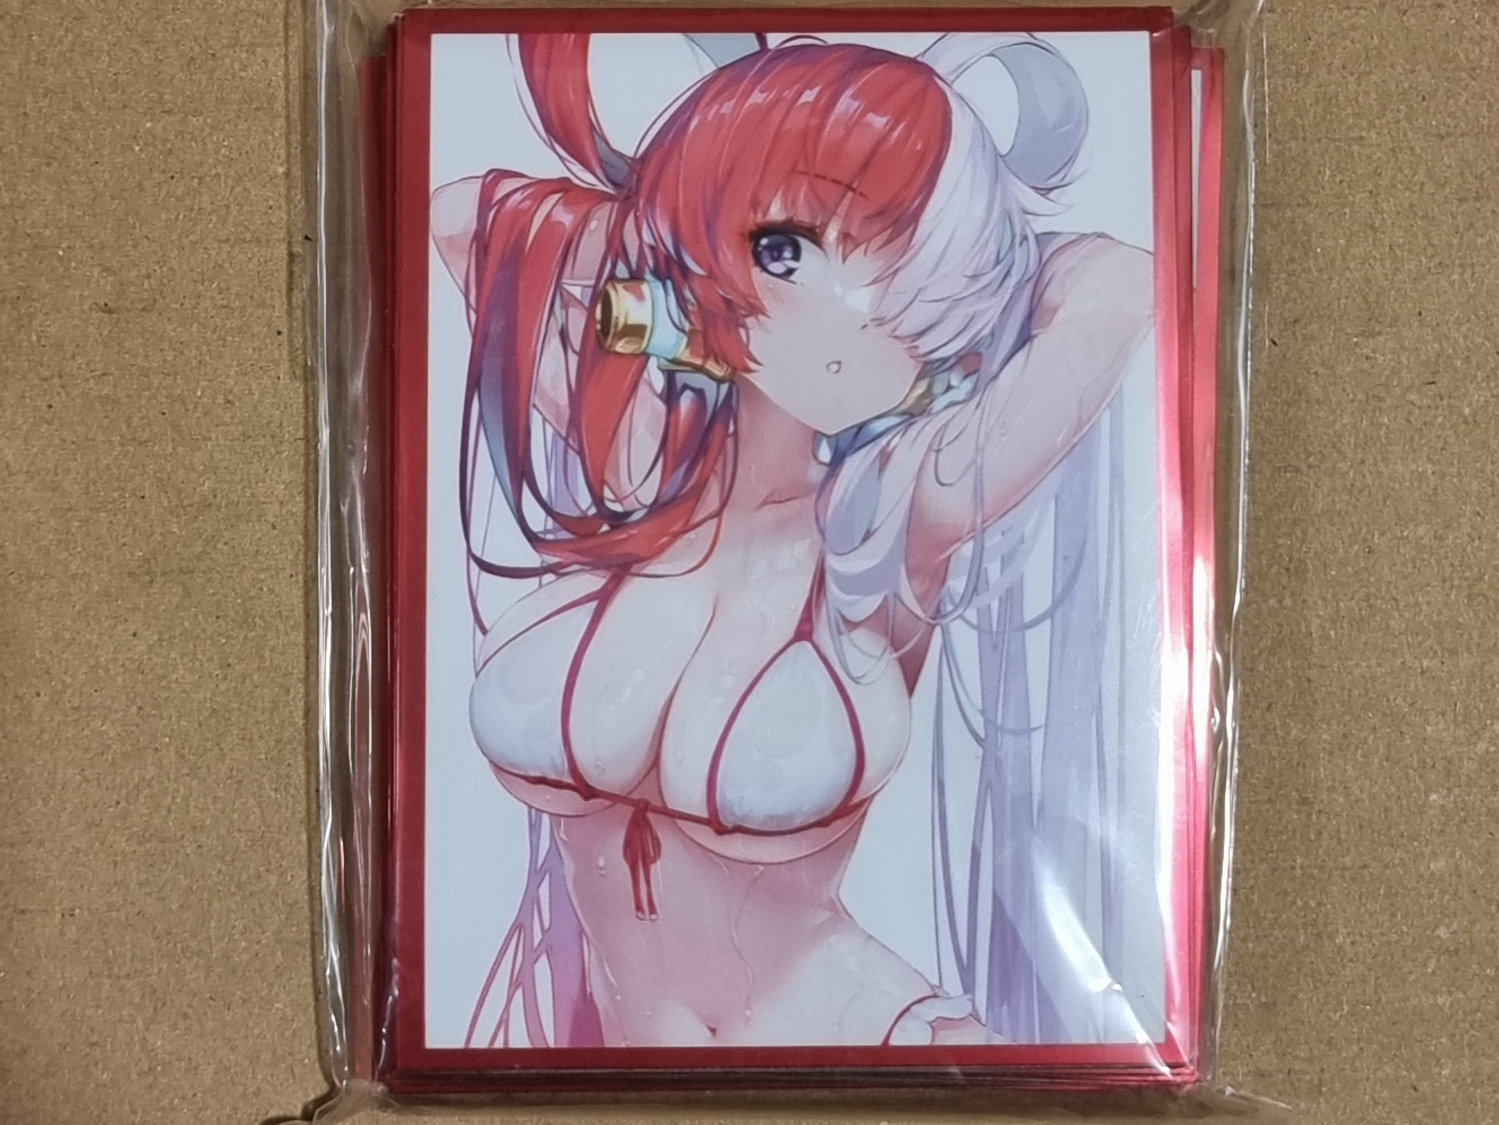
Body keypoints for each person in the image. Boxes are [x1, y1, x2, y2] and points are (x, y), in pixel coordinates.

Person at [432, 30, 1153, 1050]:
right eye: (786, 251)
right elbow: (460, 216)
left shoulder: (896, 516)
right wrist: (682, 245)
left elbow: (1119, 284)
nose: (845, 323)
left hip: (856, 1045)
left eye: (906, 279)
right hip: (609, 1063)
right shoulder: (638, 460)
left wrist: (975, 273)